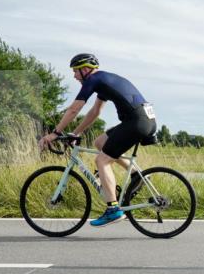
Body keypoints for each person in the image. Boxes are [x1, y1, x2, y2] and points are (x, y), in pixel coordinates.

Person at [38, 53, 157, 227]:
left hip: (137, 122)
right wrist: (76, 133)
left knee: (102, 160)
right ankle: (136, 176)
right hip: (143, 119)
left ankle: (113, 209)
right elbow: (95, 112)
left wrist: (55, 133)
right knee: (100, 143)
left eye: (76, 71)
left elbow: (74, 109)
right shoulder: (103, 80)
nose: (74, 76)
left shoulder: (93, 80)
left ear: (85, 69)